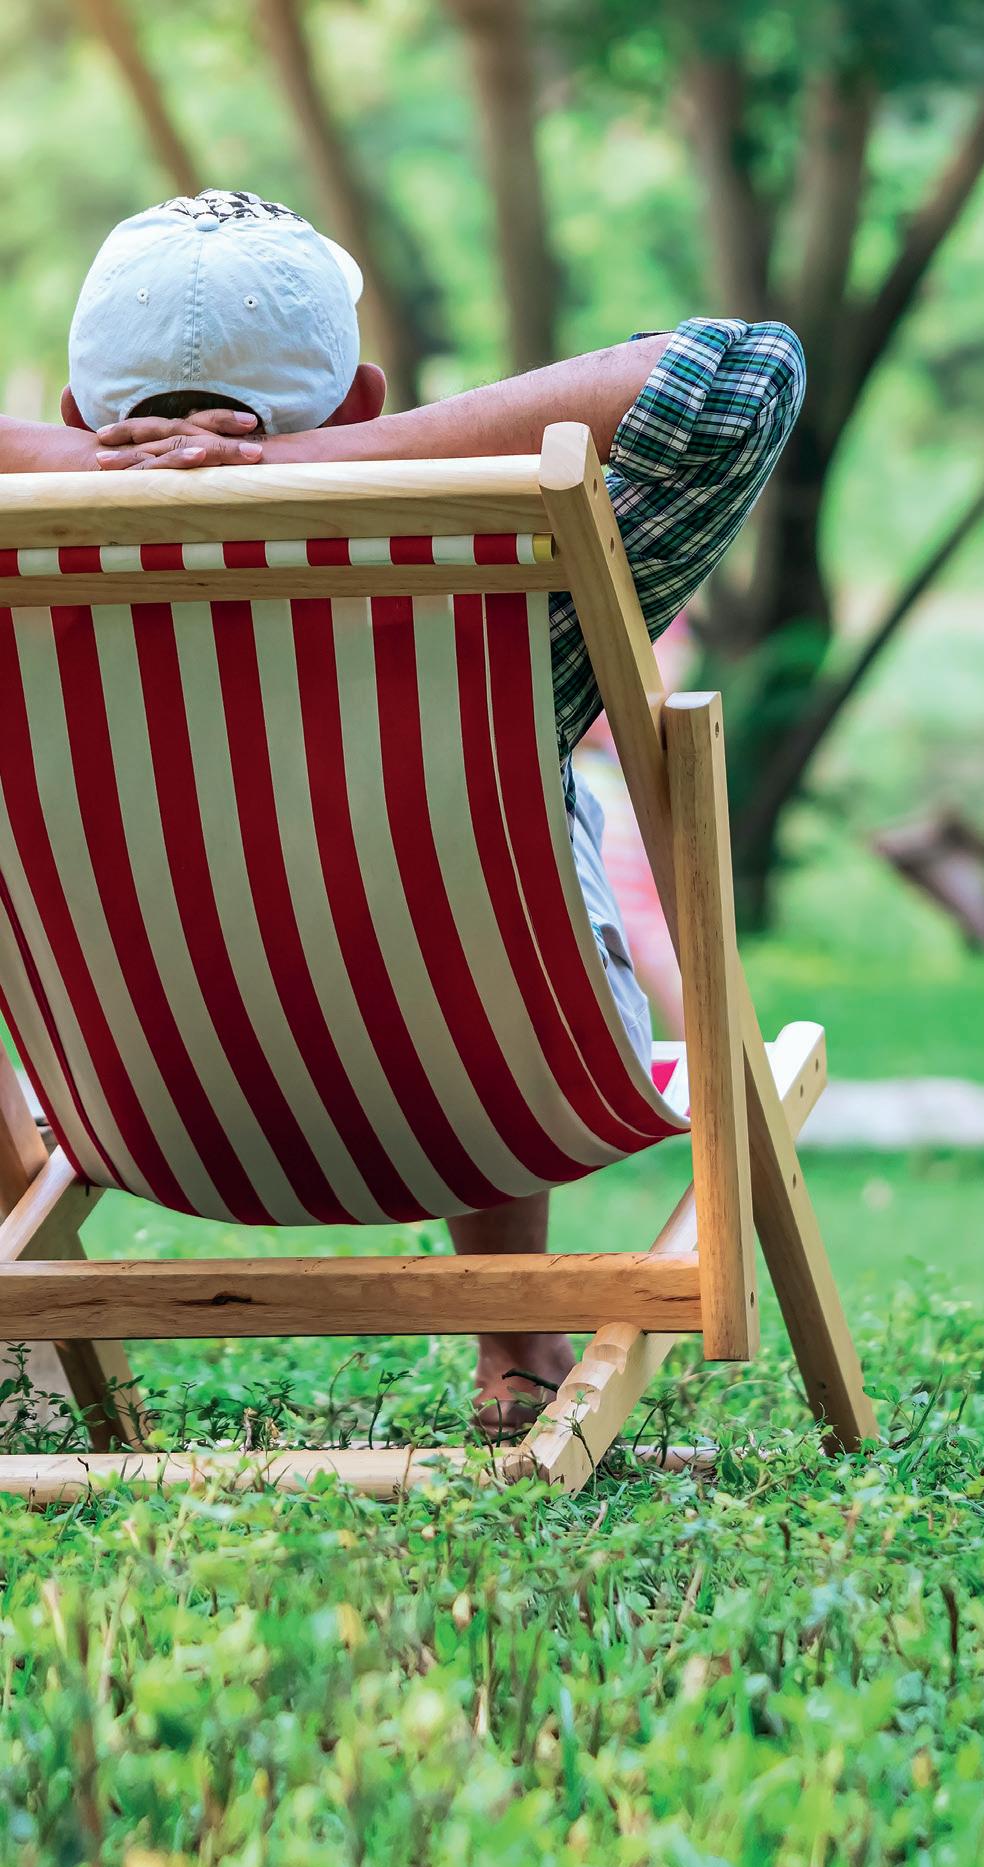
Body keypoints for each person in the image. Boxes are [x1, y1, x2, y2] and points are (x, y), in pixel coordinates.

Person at [0, 190, 803, 1430]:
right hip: (503, 1097)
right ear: (365, 403)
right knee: (506, 803)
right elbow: (743, 375)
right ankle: (516, 1345)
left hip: (144, 1110)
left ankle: (42, 1372)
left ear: (69, 412)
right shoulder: (490, 585)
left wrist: (75, 468)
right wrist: (327, 464)